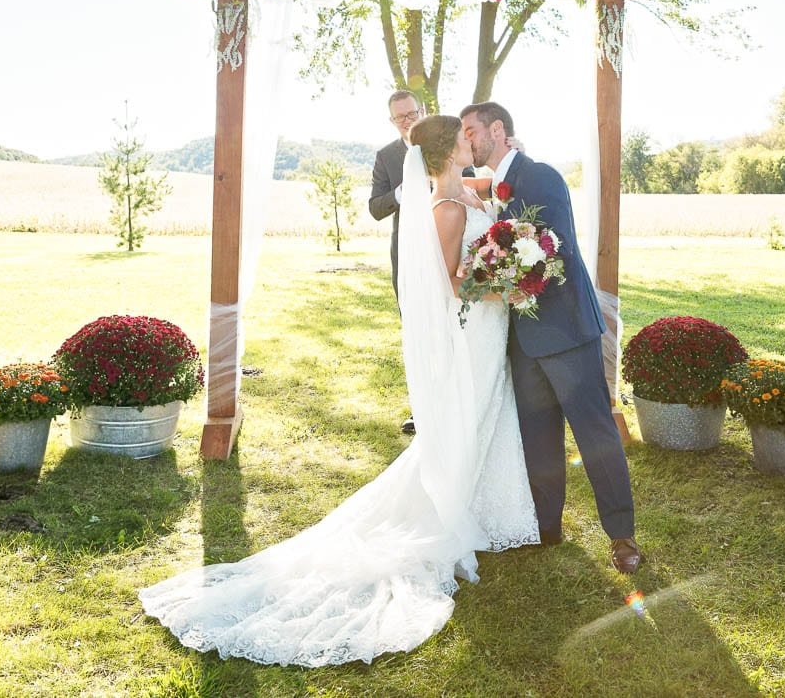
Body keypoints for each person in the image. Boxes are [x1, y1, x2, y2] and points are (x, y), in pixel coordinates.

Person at [140, 114, 537, 666]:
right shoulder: (445, 209)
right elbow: (452, 282)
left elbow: (492, 192)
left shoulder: (462, 192)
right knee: (467, 417)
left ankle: (480, 504)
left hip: (489, 334)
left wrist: (512, 224)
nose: (476, 142)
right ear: (449, 152)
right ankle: (450, 507)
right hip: (476, 328)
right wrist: (502, 287)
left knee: (485, 414)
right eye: (467, 139)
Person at [460, 101, 641, 573]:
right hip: (521, 340)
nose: (468, 139)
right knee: (537, 437)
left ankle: (621, 535)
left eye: (472, 130)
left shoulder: (541, 176)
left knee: (594, 433)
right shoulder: (496, 184)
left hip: (564, 330)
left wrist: (496, 278)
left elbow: (552, 252)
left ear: (498, 130)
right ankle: (546, 527)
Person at [369, 89, 425, 434]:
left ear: (423, 110)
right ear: (392, 121)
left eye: (411, 114)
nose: (407, 121)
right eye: (399, 117)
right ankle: (421, 410)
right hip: (407, 258)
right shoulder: (386, 156)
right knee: (416, 333)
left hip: (448, 253)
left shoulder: (443, 145)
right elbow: (375, 207)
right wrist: (401, 194)